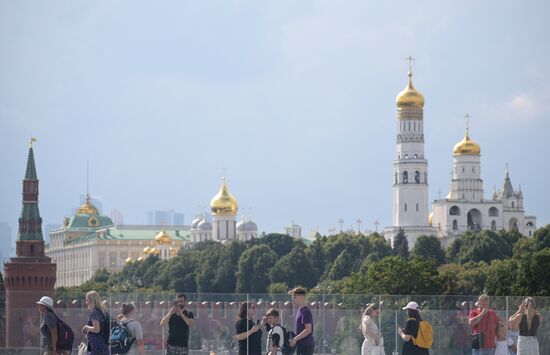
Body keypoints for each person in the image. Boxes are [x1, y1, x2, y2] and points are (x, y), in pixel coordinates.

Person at [288, 287, 315, 355]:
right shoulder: (299, 310)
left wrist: (295, 339)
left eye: (294, 297)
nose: (292, 300)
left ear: (301, 297)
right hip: (301, 345)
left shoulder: (305, 311)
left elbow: (308, 330)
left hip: (306, 345)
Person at [82, 291, 110, 355]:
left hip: (97, 347)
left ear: (91, 301)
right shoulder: (102, 311)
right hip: (102, 345)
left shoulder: (95, 312)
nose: (86, 302)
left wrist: (86, 327)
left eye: (87, 300)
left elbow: (96, 329)